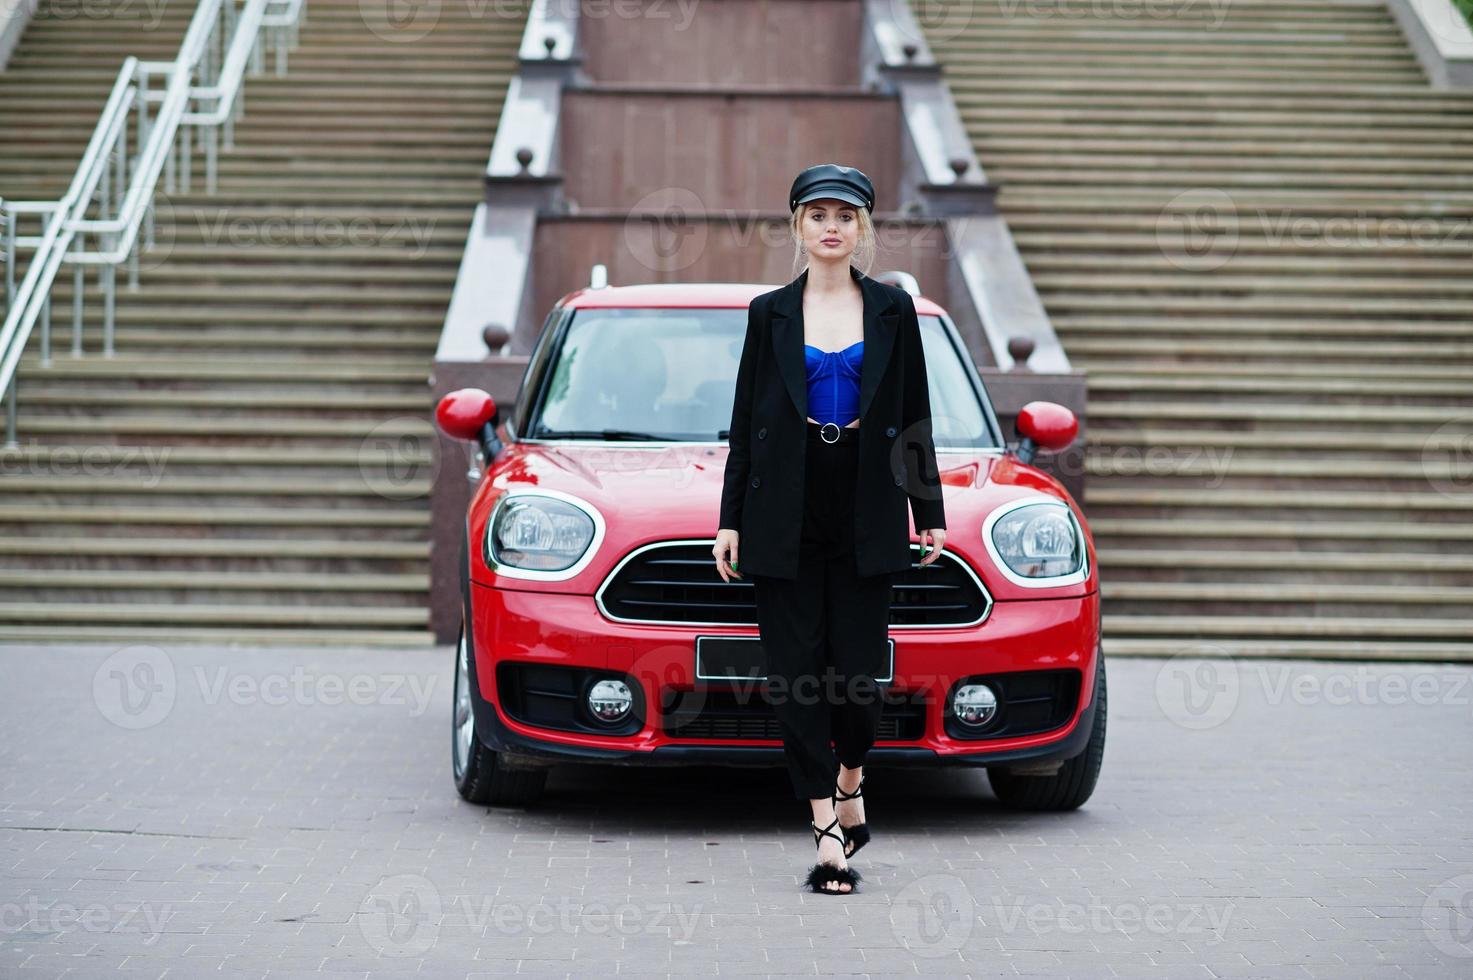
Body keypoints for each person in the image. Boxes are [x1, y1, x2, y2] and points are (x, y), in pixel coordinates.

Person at [712, 163, 947, 895]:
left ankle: (851, 777)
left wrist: (927, 510)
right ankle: (825, 836)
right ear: (797, 227)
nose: (831, 227)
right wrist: (729, 521)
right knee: (796, 679)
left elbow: (912, 415)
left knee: (855, 679)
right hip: (783, 508)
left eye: (844, 216)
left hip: (867, 506)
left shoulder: (892, 312)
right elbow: (746, 425)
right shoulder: (768, 313)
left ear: (862, 229)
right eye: (817, 215)